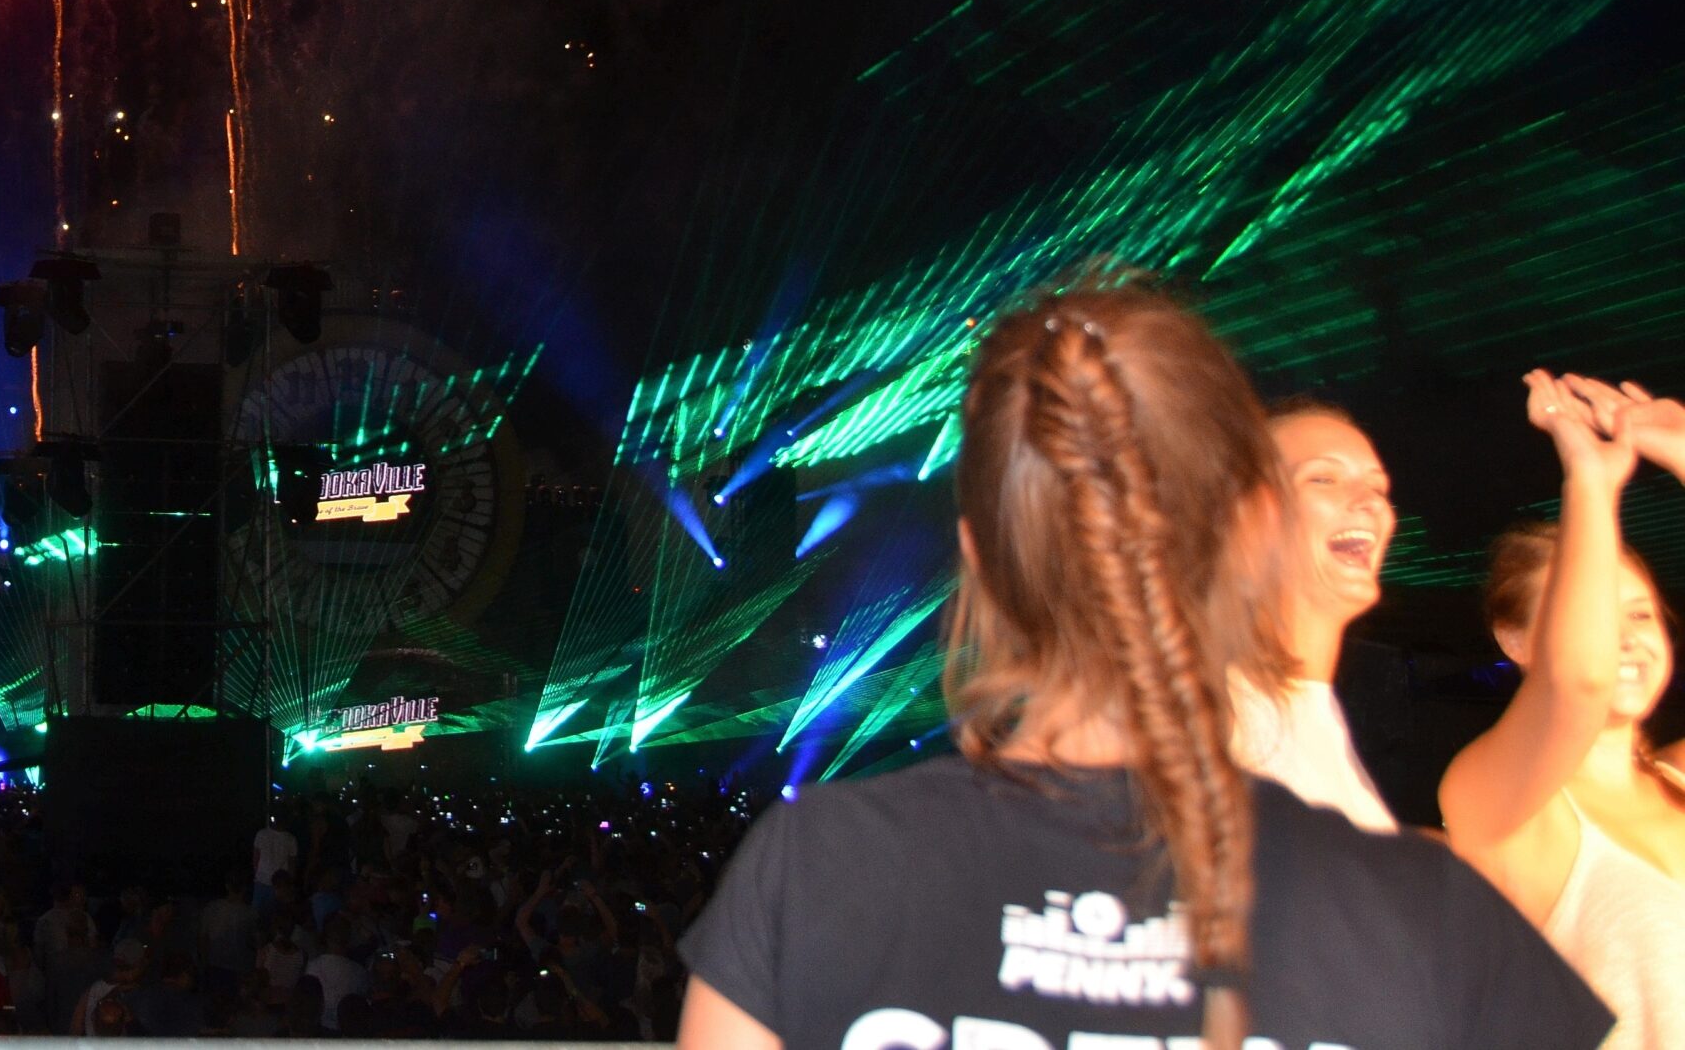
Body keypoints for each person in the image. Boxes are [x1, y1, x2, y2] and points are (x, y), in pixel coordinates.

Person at [673, 275, 1613, 1050]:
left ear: (981, 560)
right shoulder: (1425, 917)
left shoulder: (819, 871)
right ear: (1249, 536)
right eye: (1325, 481)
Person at [1438, 372, 1685, 1050]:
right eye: (1595, 612)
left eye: (1638, 613)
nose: (1626, 637)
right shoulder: (1498, 802)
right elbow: (1580, 680)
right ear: (1515, 640)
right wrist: (1591, 485)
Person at [1229, 402, 1401, 830]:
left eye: (1378, 489)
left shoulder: (1316, 715)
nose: (1370, 504)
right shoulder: (1216, 713)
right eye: (1323, 478)